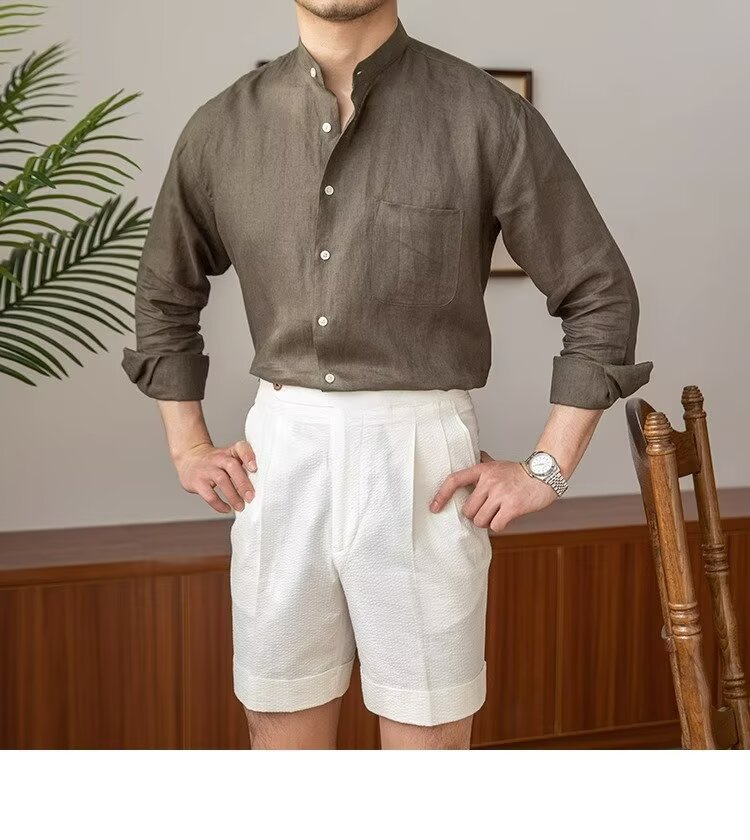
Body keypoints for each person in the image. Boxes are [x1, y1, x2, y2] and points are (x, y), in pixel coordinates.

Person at [121, 0, 653, 749]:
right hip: (281, 457)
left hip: (422, 457)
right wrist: (187, 446)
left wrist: (548, 468)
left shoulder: (484, 115)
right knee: (281, 739)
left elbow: (600, 292)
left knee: (427, 745)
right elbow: (163, 294)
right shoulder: (221, 128)